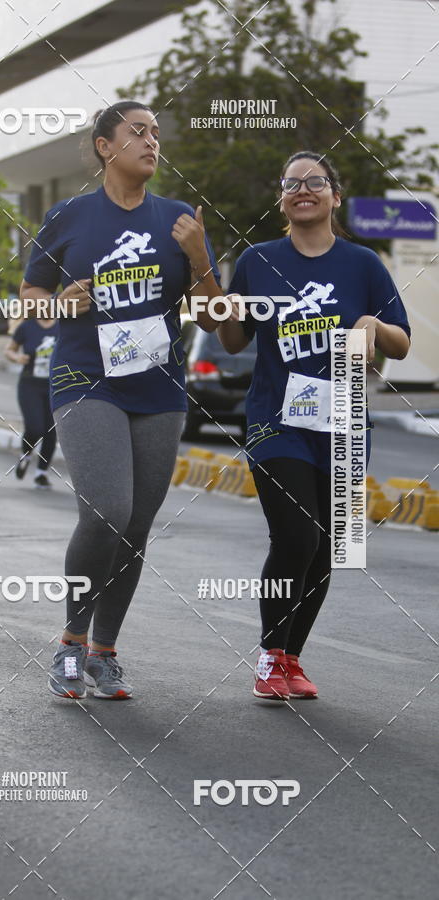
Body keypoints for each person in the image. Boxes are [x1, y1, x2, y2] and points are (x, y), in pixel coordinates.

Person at [20, 100, 222, 700]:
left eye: (158, 133)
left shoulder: (180, 218)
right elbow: (30, 293)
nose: (152, 142)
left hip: (159, 387)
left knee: (135, 526)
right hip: (86, 378)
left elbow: (214, 313)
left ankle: (106, 651)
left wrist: (199, 256)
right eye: (138, 132)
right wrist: (58, 305)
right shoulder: (70, 216)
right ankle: (70, 644)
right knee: (106, 508)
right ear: (106, 146)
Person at [219, 151, 411, 701]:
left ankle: (291, 659)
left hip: (347, 422)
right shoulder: (257, 260)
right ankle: (269, 656)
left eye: (315, 182)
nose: (303, 190)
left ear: (335, 196)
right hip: (276, 420)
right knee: (296, 535)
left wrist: (375, 323)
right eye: (292, 184)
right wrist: (228, 309)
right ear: (282, 199)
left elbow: (401, 344)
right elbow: (234, 341)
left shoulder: (364, 264)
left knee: (328, 546)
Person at [4, 308, 58, 487]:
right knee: (35, 427)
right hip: (30, 385)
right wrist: (17, 357)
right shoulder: (27, 327)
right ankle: (26, 455)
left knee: (51, 431)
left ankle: (41, 473)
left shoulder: (61, 327)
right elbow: (9, 350)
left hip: (54, 387)